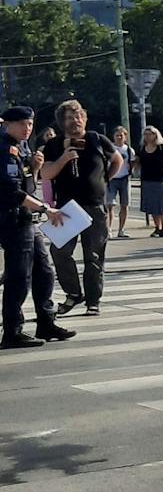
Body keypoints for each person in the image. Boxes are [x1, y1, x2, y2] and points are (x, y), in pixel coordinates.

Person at [40, 98, 123, 317]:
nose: (75, 121)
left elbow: (117, 160)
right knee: (59, 252)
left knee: (94, 256)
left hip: (94, 205)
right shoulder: (55, 145)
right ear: (62, 122)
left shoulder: (97, 139)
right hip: (67, 207)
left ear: (84, 118)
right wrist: (64, 158)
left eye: (78, 116)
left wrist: (104, 180)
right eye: (69, 118)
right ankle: (74, 293)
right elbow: (46, 174)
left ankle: (93, 300)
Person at [2, 105, 74, 348]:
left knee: (44, 272)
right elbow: (12, 191)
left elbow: (27, 180)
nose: (27, 128)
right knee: (19, 276)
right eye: (22, 124)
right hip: (12, 218)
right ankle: (12, 331)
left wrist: (34, 167)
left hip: (26, 218)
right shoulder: (4, 149)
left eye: (30, 124)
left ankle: (46, 321)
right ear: (7, 124)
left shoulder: (22, 146)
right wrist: (45, 208)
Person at [136, 124, 163, 237]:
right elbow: (137, 162)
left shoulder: (162, 148)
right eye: (145, 134)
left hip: (160, 180)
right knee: (152, 205)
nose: (147, 136)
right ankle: (157, 227)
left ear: (155, 135)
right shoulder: (142, 148)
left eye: (150, 134)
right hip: (146, 179)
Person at [108, 126, 132, 237]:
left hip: (124, 178)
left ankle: (121, 230)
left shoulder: (129, 150)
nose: (119, 137)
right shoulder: (110, 148)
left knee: (124, 205)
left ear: (125, 137)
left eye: (121, 135)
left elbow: (133, 163)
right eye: (117, 135)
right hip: (112, 179)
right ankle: (108, 229)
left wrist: (131, 171)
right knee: (109, 205)